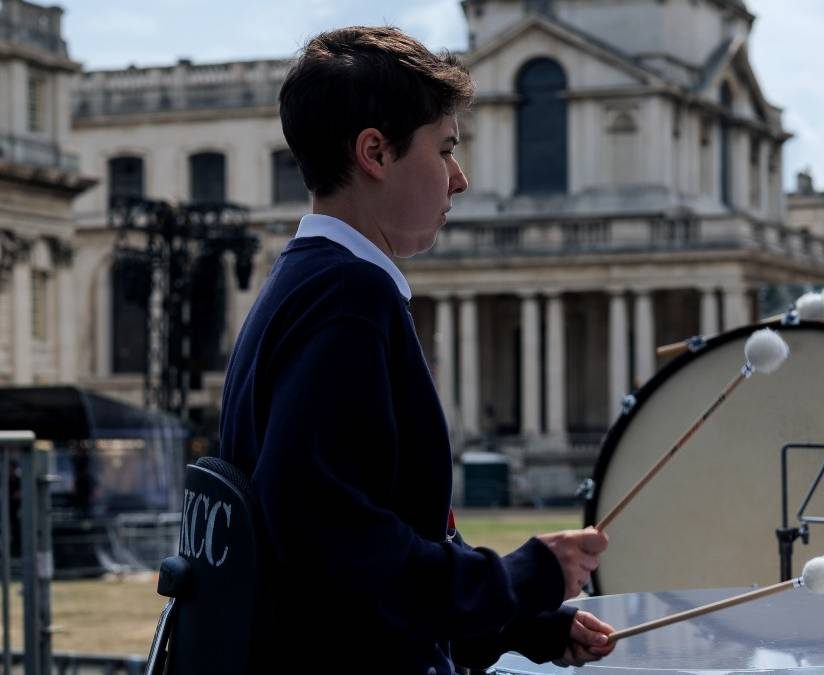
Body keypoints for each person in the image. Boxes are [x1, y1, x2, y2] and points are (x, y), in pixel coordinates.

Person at [218, 25, 615, 673]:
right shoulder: (349, 294)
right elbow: (333, 542)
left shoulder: (307, 280)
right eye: (446, 149)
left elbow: (366, 562)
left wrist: (520, 624)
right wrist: (521, 576)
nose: (459, 179)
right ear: (375, 152)